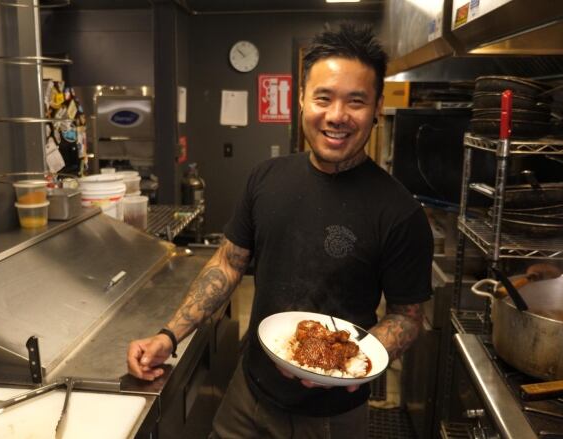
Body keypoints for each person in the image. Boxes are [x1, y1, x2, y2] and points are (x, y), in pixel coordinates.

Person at [127, 23, 433, 438]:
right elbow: (228, 263)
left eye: (356, 101)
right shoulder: (265, 178)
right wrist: (170, 335)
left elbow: (407, 317)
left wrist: (341, 363)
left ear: (377, 107)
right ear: (302, 98)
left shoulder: (399, 212)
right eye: (323, 98)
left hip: (332, 418)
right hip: (247, 394)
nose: (337, 116)